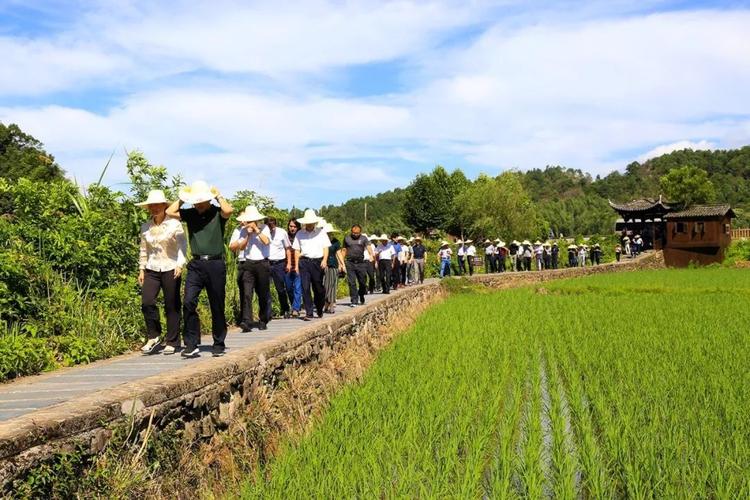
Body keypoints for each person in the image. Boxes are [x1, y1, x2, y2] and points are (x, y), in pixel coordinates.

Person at [166, 180, 233, 358]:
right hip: (196, 264)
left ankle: (218, 342)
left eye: (200, 201)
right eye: (194, 201)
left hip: (215, 264)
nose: (197, 204)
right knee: (188, 301)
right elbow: (169, 211)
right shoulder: (190, 213)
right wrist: (182, 198)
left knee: (217, 304)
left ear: (208, 200)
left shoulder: (217, 212)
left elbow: (228, 211)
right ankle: (191, 343)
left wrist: (218, 195)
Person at [137, 190, 187, 355]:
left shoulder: (174, 224)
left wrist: (180, 264)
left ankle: (172, 340)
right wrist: (142, 269)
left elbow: (182, 246)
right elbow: (143, 250)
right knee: (147, 301)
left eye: (157, 205)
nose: (154, 208)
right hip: (152, 267)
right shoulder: (146, 227)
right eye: (151, 205)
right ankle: (154, 335)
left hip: (171, 266)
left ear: (165, 206)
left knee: (171, 304)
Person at [230, 205, 273, 332]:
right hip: (248, 263)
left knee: (263, 293)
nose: (249, 223)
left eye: (251, 220)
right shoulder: (243, 230)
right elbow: (241, 248)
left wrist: (256, 230)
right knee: (247, 293)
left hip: (262, 263)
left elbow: (266, 242)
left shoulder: (264, 228)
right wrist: (248, 235)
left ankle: (263, 319)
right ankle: (246, 321)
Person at [292, 209, 331, 321]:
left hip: (317, 262)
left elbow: (326, 247)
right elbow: (296, 250)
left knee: (318, 287)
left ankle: (319, 306)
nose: (309, 224)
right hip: (304, 262)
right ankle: (309, 312)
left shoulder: (321, 232)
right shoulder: (300, 234)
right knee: (305, 287)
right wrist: (296, 266)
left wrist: (324, 259)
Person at [265, 216, 292, 319]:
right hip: (266, 262)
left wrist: (288, 263)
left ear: (275, 225)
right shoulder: (262, 232)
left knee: (280, 288)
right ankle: (267, 313)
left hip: (279, 264)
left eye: (272, 226)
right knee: (265, 289)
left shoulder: (282, 232)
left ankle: (285, 309)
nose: (271, 228)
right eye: (269, 226)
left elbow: (288, 248)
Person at [342, 224, 374, 307]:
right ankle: (354, 300)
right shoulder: (347, 238)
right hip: (350, 263)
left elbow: (368, 247)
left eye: (357, 233)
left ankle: (361, 294)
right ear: (351, 231)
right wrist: (341, 262)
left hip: (361, 263)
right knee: (351, 282)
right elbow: (344, 250)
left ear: (360, 232)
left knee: (362, 282)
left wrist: (371, 255)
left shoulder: (364, 238)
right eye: (353, 233)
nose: (355, 234)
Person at [322, 223, 344, 314]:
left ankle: (331, 305)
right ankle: (326, 303)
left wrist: (342, 264)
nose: (329, 234)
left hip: (333, 265)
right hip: (324, 265)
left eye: (330, 233)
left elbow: (338, 254)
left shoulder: (336, 242)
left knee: (333, 286)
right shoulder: (321, 241)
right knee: (325, 285)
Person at [285, 218, 303, 317]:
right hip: (287, 266)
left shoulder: (301, 236)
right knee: (288, 288)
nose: (292, 228)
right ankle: (294, 305)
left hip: (299, 265)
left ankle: (295, 308)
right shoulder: (285, 237)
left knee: (297, 287)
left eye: (295, 226)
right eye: (291, 226)